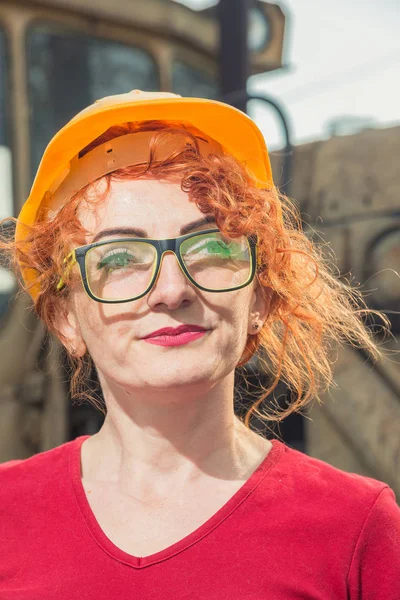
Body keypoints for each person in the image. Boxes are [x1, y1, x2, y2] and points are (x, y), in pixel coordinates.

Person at [0, 90, 399, 599]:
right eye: (120, 259)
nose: (171, 290)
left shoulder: (357, 528)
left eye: (211, 247)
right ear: (64, 318)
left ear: (259, 295)